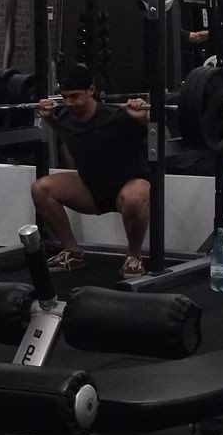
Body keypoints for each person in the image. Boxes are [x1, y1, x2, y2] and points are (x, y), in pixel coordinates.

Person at [31, 64, 151, 279]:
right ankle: (72, 252)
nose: (69, 102)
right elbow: (70, 135)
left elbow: (155, 135)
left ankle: (134, 257)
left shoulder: (117, 117)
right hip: (91, 188)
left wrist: (142, 118)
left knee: (136, 195)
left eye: (75, 96)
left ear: (91, 91)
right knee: (41, 189)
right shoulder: (66, 117)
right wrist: (49, 118)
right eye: (64, 97)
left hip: (126, 189)